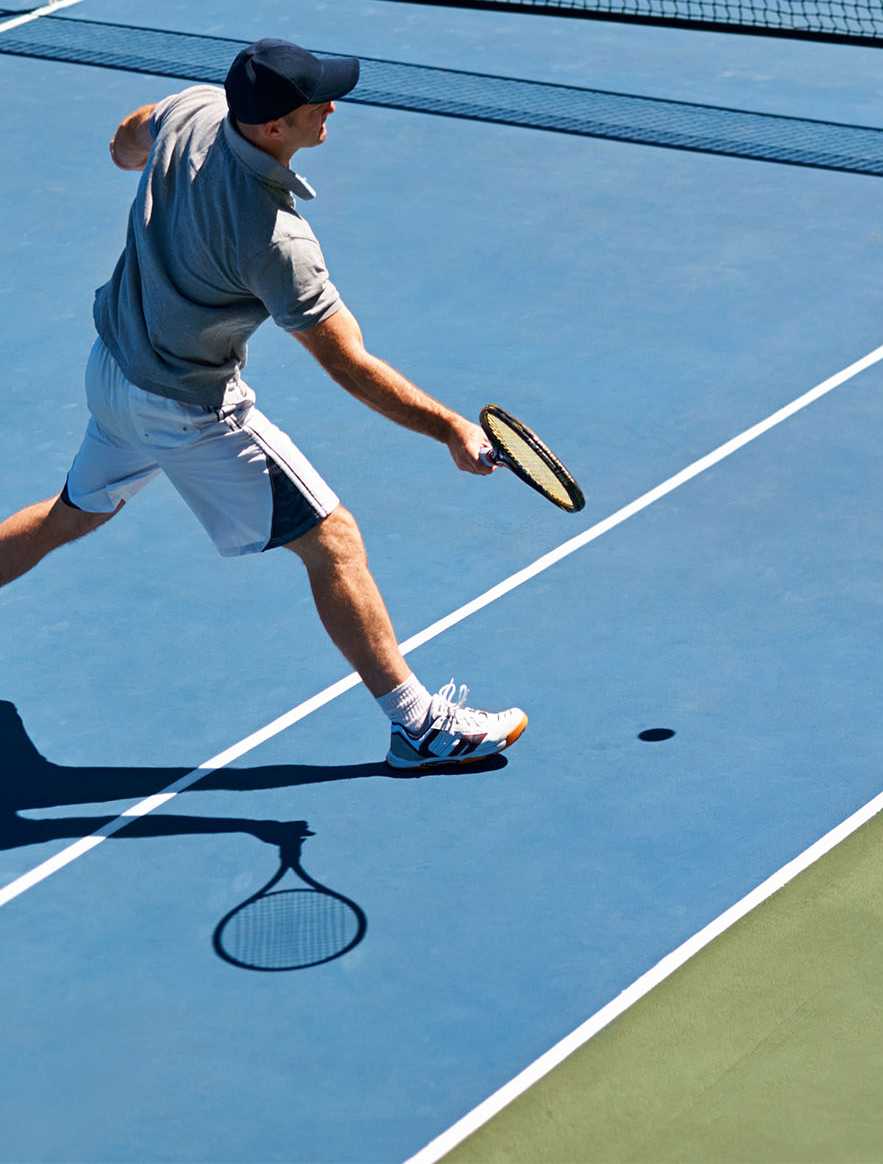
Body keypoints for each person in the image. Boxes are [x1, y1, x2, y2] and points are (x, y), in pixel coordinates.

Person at [0, 38, 526, 772]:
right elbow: (347, 362)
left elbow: (128, 135)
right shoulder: (276, 239)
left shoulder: (196, 109)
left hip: (113, 369)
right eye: (319, 104)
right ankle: (418, 726)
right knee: (333, 540)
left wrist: (139, 161)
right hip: (185, 409)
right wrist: (448, 428)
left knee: (70, 516)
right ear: (275, 127)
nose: (332, 108)